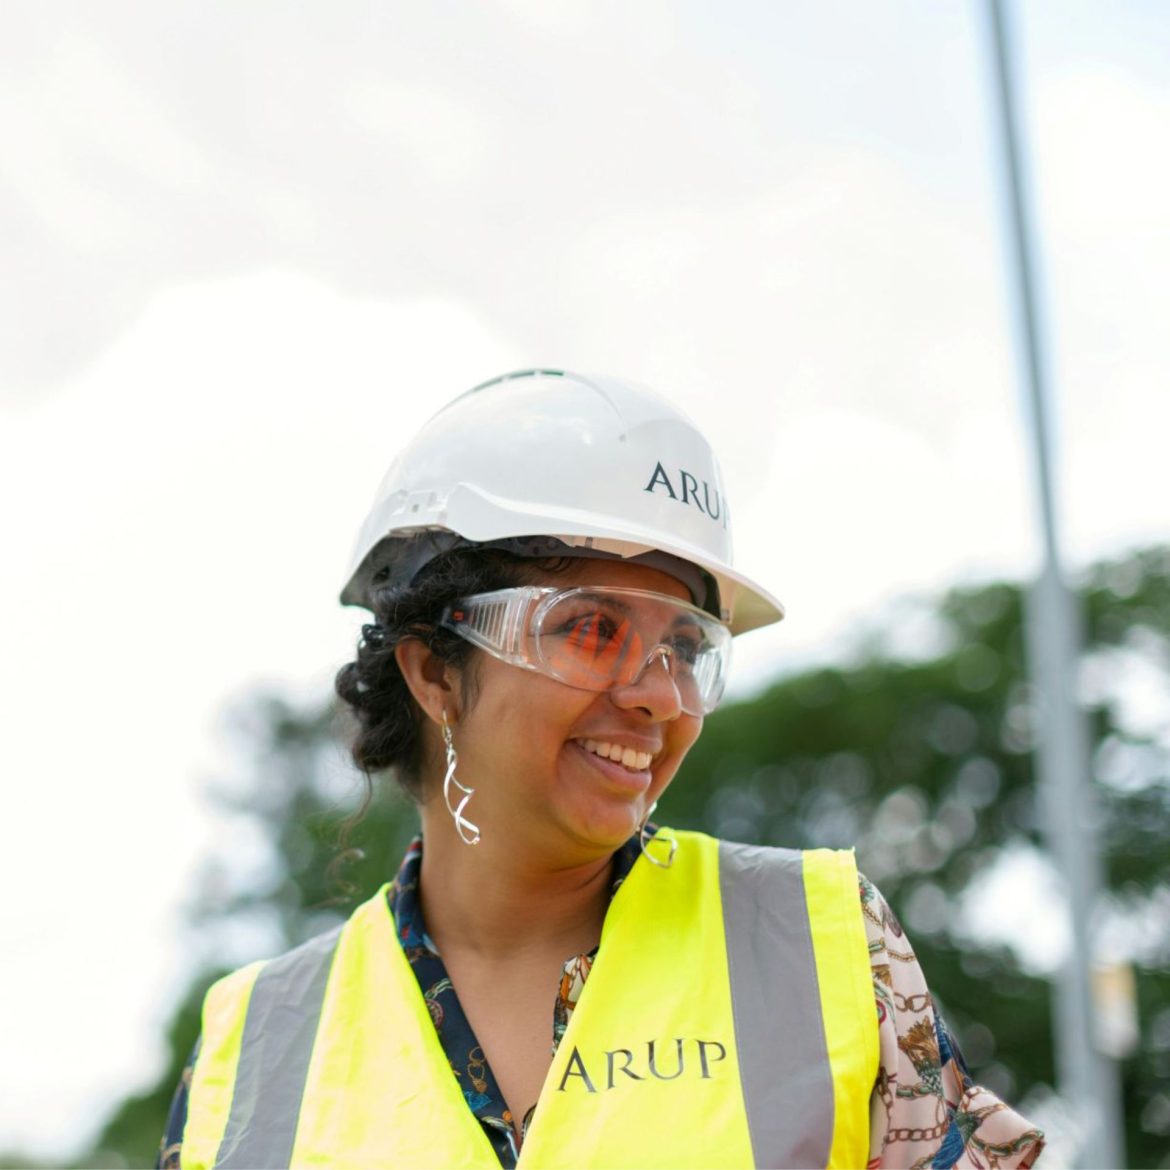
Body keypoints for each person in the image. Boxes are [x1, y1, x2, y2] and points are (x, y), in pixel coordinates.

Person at [160, 370, 1045, 1168]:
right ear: (434, 672)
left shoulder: (821, 947)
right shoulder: (252, 1056)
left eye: (686, 648)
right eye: (591, 629)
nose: (661, 696)